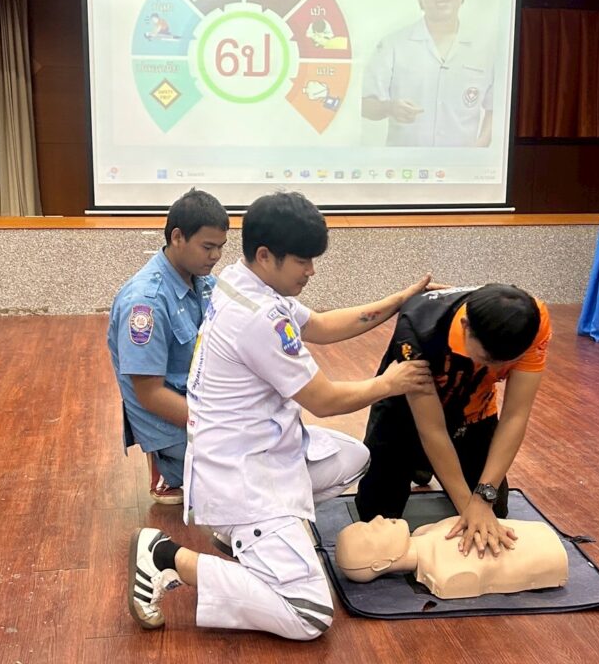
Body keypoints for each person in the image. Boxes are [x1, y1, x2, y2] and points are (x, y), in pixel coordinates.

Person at [128, 191, 436, 640]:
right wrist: (391, 383)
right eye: (302, 261)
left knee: (355, 456)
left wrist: (400, 300)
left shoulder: (241, 279)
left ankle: (249, 540)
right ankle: (165, 557)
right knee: (310, 616)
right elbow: (324, 400)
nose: (311, 271)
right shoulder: (259, 317)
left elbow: (323, 326)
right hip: (243, 477)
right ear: (265, 255)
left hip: (260, 450)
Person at [355, 284, 552, 559]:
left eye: (506, 362)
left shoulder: (532, 321)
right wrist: (467, 508)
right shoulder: (417, 329)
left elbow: (515, 416)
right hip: (405, 412)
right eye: (487, 359)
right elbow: (432, 429)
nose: (496, 369)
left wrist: (482, 499)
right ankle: (419, 464)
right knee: (375, 520)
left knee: (495, 513)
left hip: (472, 409)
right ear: (465, 326)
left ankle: (426, 466)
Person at [107, 189, 228, 505]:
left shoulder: (203, 281)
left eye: (221, 247)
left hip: (200, 399)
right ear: (177, 237)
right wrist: (221, 425)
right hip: (170, 420)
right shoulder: (145, 302)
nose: (216, 256)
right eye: (208, 247)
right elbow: (150, 395)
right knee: (255, 462)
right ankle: (167, 466)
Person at [361, 0, 493, 147]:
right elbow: (364, 104)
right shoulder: (392, 45)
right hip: (404, 164)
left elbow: (495, 108)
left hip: (461, 163)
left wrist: (479, 148)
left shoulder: (484, 49)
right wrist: (388, 107)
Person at [335, 515, 568, 598]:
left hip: (536, 534)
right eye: (371, 532)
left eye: (367, 523)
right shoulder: (444, 574)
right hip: (551, 555)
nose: (377, 519)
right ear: (381, 564)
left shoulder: (423, 531)